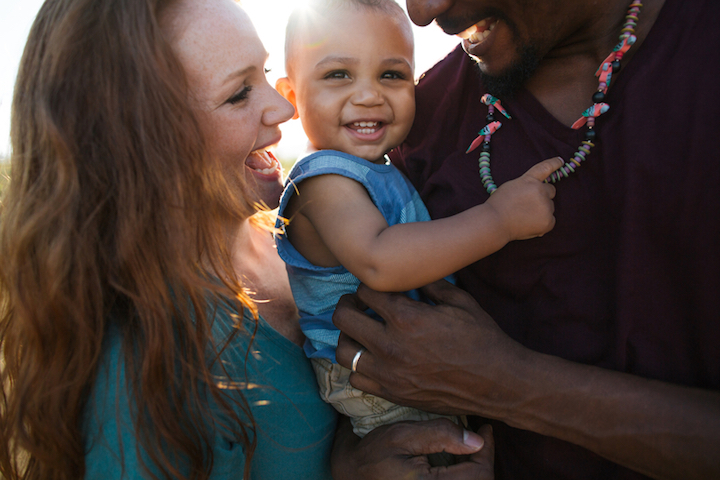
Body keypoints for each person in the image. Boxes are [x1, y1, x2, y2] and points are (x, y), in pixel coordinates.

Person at [0, 0, 493, 479]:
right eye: (239, 93)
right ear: (139, 143)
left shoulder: (295, 236)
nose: (283, 107)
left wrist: (348, 456)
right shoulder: (139, 365)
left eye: (265, 73)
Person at [333, 0, 720, 478]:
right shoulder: (422, 115)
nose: (423, 10)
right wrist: (353, 457)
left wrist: (507, 385)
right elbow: (361, 340)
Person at [273, 0, 560, 443]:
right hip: (374, 377)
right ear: (292, 98)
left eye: (391, 75)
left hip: (402, 360)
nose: (369, 95)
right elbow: (380, 260)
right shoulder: (322, 182)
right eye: (338, 75)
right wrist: (499, 220)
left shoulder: (371, 170)